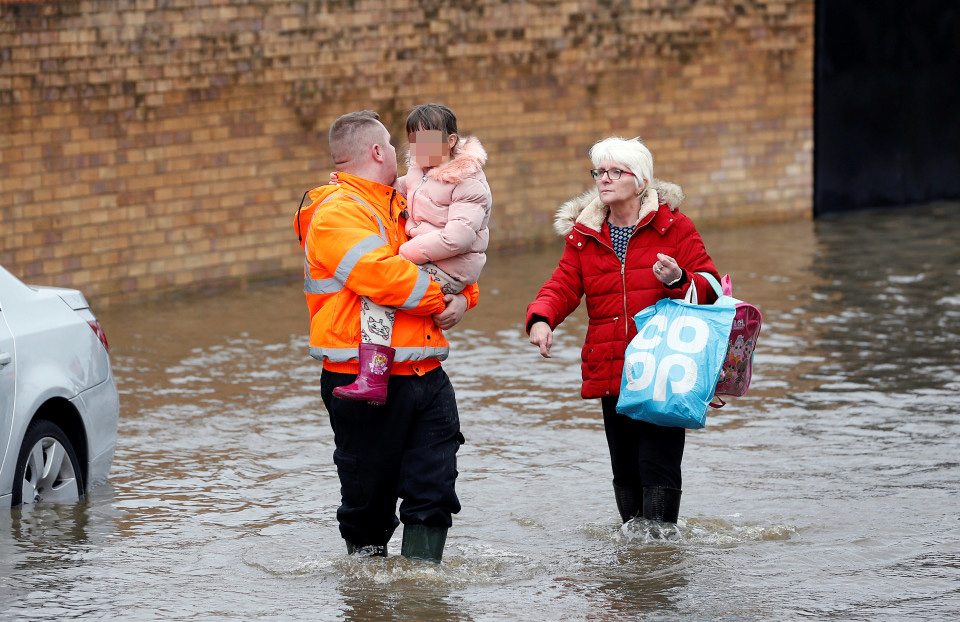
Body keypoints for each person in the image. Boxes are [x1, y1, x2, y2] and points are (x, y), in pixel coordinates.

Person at [296, 110, 478, 563]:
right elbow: (383, 276)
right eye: (394, 145)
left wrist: (467, 296)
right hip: (360, 378)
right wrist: (442, 299)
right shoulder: (336, 211)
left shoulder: (405, 202)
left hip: (426, 373)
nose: (402, 152)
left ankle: (422, 595)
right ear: (378, 152)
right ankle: (367, 593)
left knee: (433, 489)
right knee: (368, 502)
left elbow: (451, 251)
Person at [525, 136, 720, 526]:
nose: (604, 179)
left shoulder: (674, 226)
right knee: (625, 466)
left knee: (657, 462)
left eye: (616, 172)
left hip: (665, 368)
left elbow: (711, 289)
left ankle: (659, 555)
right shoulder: (585, 235)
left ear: (641, 180)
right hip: (612, 366)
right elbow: (562, 285)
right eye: (599, 172)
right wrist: (542, 318)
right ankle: (634, 559)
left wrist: (679, 278)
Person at [334, 103, 492, 405]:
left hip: (451, 266)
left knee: (380, 299)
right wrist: (350, 182)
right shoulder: (422, 170)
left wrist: (406, 253)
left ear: (450, 141)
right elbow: (400, 188)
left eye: (427, 140)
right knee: (384, 295)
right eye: (413, 140)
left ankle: (372, 378)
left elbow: (457, 238)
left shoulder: (467, 181)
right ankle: (374, 379)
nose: (418, 147)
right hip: (435, 260)